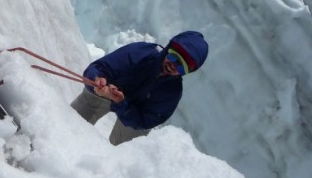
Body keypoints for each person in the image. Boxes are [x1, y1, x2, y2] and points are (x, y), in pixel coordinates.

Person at [70, 31, 208, 145]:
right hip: (106, 90)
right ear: (168, 49)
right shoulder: (141, 53)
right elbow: (99, 68)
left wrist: (121, 104)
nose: (172, 66)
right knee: (71, 123)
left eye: (181, 67)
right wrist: (97, 80)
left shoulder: (171, 93)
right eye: (173, 57)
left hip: (133, 114)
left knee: (125, 152)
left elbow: (145, 121)